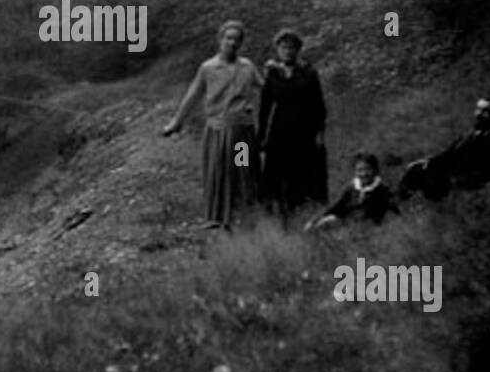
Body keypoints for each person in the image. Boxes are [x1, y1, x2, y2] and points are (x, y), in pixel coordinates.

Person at [163, 19, 263, 229]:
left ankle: (243, 215)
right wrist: (177, 122)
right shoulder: (208, 68)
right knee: (218, 171)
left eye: (237, 40)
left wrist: (279, 73)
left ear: (241, 43)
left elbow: (267, 87)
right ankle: (217, 217)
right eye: (228, 38)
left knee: (242, 169)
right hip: (218, 129)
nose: (232, 43)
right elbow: (192, 95)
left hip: (242, 130)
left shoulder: (247, 67)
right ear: (220, 40)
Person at [258, 29, 327, 220]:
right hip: (279, 130)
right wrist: (261, 137)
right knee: (277, 172)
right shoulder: (272, 74)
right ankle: (277, 212)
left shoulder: (309, 73)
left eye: (292, 48)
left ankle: (301, 209)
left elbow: (318, 105)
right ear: (278, 50)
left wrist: (320, 132)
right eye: (284, 47)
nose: (288, 51)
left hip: (304, 129)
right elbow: (264, 107)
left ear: (298, 50)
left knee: (302, 171)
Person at [398, 97, 490, 201]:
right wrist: (428, 161)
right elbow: (448, 154)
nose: (479, 114)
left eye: (486, 111)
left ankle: (429, 207)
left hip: (472, 180)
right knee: (416, 169)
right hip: (457, 174)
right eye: (478, 109)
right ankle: (404, 202)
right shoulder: (469, 135)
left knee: (428, 177)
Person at [306, 152, 398, 230]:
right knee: (325, 222)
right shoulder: (351, 188)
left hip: (367, 227)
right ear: (355, 172)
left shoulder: (382, 190)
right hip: (346, 222)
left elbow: (393, 210)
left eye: (368, 169)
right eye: (360, 170)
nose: (364, 174)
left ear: (375, 170)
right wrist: (315, 220)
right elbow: (336, 205)